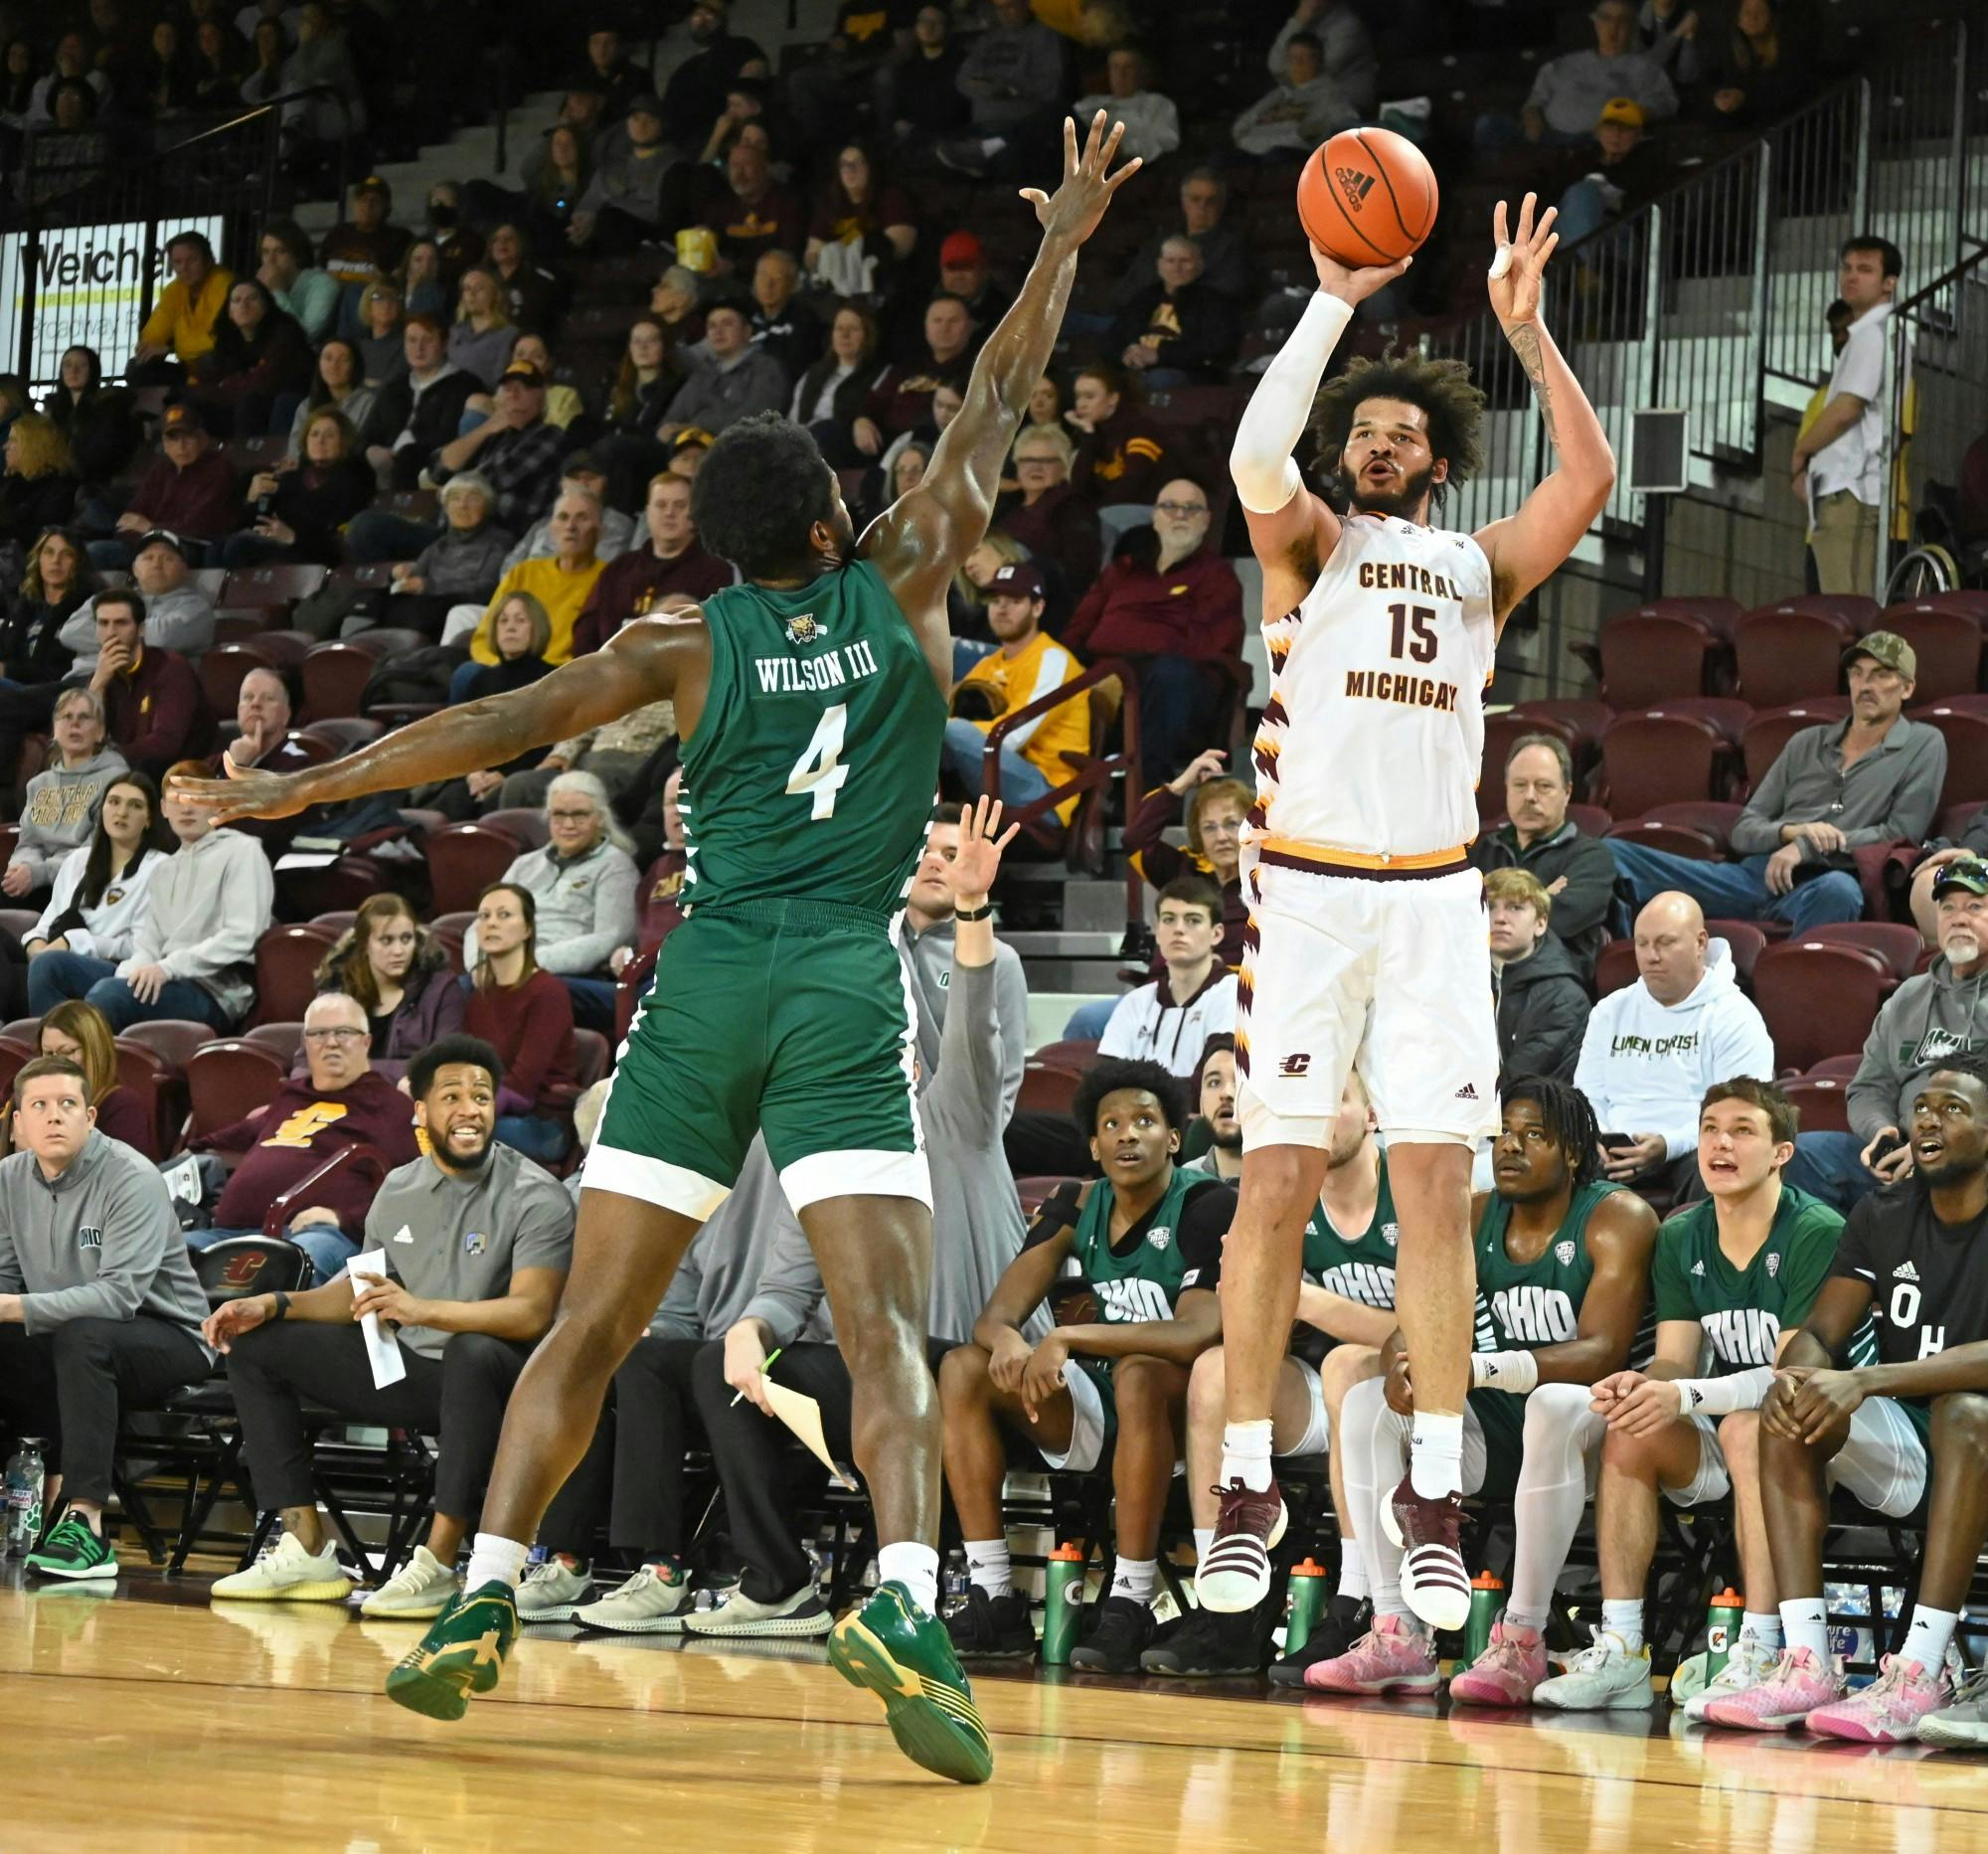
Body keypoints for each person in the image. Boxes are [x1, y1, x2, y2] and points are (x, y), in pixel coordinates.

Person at [174, 115, 1142, 1783]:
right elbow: (997, 398)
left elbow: (487, 718)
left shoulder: (683, 640)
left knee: (595, 1328)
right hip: (847, 982)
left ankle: (483, 1590)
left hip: (702, 988)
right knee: (891, 1330)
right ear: (843, 508)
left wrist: (298, 784)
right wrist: (1058, 245)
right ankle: (907, 1595)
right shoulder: (910, 573)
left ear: (723, 542)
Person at [1200, 195, 1617, 1627]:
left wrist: (1530, 330)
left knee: (1440, 1186)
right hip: (1311, 894)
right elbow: (1255, 452)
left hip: (1437, 897)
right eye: (1361, 430)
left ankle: (1435, 1489)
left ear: (1438, 457)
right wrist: (1331, 299)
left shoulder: (1474, 569)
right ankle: (1247, 1479)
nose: (1377, 443)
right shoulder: (1308, 542)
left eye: (1400, 433)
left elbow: (1593, 476)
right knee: (1277, 1181)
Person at [688, 796, 1037, 1640]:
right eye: (923, 847)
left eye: (953, 849)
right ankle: (779, 1584)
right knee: (718, 1367)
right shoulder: (846, 1132)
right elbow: (798, 1254)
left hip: (966, 1348)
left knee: (924, 1372)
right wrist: (755, 1322)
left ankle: (934, 1575)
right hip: (882, 1354)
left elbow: (979, 1051)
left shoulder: (957, 1105)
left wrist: (973, 915)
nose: (936, 859)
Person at [202, 1036, 582, 1617]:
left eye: (481, 1096)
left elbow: (530, 1312)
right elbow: (363, 1289)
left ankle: (438, 1562)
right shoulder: (399, 1187)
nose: (469, 1108)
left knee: (473, 1351)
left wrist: (421, 1309)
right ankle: (305, 1546)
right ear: (422, 1113)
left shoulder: (537, 1194)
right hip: (413, 1370)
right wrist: (273, 1304)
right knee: (254, 1346)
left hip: (498, 1383)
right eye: (451, 1096)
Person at [1305, 1082, 1655, 1702]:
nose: (1509, 1149)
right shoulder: (1474, 1212)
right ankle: (1398, 1633)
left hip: (1597, 1433)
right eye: (1500, 1136)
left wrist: (1478, 1370)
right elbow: (1412, 1318)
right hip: (1494, 1431)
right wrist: (1403, 1365)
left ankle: (1523, 1640)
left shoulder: (1615, 1216)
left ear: (1573, 1152)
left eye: (1533, 1137)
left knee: (1551, 1402)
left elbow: (1601, 1352)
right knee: (1365, 1402)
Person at [1531, 1080, 1849, 1713]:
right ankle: (1622, 1650)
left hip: (1824, 1431)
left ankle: (1758, 1648)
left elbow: (1794, 1374)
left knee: (1746, 1426)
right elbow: (1675, 1357)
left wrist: (1683, 1393)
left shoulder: (1815, 1229)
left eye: (1742, 1130)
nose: (1720, 1143)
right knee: (1631, 1422)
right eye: (1709, 1128)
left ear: (1781, 1153)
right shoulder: (1682, 1233)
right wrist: (1645, 1385)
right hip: (1725, 1417)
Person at [1695, 1061, 1988, 1737]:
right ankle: (1806, 1661)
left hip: (1974, 1436)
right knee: (1788, 1410)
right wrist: (1794, 1376)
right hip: (1915, 1444)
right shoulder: (1882, 1213)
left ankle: (1921, 1667)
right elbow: (1822, 1332)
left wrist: (1867, 1379)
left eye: (1952, 1109)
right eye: (1921, 1107)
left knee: (1967, 1410)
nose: (1927, 1121)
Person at [941, 1058, 1231, 1671]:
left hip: (1186, 1415)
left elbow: (1198, 1331)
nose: (1128, 1134)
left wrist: (1070, 1335)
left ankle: (1130, 1596)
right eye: (1112, 1124)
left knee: (1139, 1372)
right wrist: (1011, 1345)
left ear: (1174, 1138)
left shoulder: (1206, 1202)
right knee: (964, 1368)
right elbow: (994, 1319)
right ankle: (995, 1594)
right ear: (1094, 1145)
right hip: (1101, 1406)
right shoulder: (1075, 1202)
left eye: (1146, 1121)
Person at [1153, 1070, 1398, 1677]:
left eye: (1337, 1099)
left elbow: (1423, 1334)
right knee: (1215, 1369)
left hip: (1404, 1395)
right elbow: (1243, 1313)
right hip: (1313, 1395)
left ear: (1372, 1115)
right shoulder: (1282, 1192)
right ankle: (1227, 1603)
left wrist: (1308, 1301)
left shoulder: (1408, 1190)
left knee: (1348, 1366)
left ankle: (1357, 1595)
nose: (1321, 1114)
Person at [0, 1055, 210, 1582]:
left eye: (67, 1104)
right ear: (17, 1121)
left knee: (83, 1337)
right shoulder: (7, 1179)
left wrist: (14, 1308)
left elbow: (119, 1298)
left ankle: (86, 1523)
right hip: (68, 1336)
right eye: (39, 1106)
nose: (54, 1117)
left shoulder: (130, 1176)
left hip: (169, 1334)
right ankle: (16, 1507)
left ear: (90, 1118)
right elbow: (4, 1276)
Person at [1607, 631, 1944, 932]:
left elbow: (1901, 833)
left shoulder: (1923, 743)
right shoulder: (1806, 742)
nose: (1865, 685)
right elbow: (1745, 830)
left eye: (1881, 675)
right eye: (1857, 674)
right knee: (1609, 855)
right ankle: (1631, 983)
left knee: (1839, 892)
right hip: (1756, 876)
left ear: (1907, 687)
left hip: (1827, 880)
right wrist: (1789, 833)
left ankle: (1787, 994)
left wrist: (1806, 847)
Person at [1788, 858, 1988, 1211]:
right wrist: (1882, 1130)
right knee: (1800, 1156)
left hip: (1971, 1159)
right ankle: (1840, 1265)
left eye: (1975, 907)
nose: (1959, 918)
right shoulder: (1908, 997)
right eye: (1948, 908)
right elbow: (1869, 1087)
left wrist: (1934, 1146)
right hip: (1903, 1150)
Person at [181, 991, 421, 1281]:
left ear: (366, 1041)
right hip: (226, 1232)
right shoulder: (291, 1096)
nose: (331, 1042)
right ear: (306, 1044)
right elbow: (235, 1136)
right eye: (319, 1033)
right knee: (161, 1258)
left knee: (290, 1267)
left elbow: (415, 1191)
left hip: (315, 1235)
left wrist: (345, 1218)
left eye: (344, 1032)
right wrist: (188, 1154)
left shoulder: (390, 1107)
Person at [31, 758, 268, 1032]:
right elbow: (149, 944)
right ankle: (50, 1060)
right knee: (49, 967)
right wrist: (126, 975)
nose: (187, 808)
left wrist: (168, 968)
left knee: (108, 995)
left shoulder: (242, 853)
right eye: (177, 800)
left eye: (198, 798)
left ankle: (85, 1067)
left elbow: (241, 937)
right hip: (158, 976)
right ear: (165, 809)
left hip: (210, 990)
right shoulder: (169, 868)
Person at [1574, 892, 1774, 1194]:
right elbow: (1587, 1094)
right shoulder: (1610, 1010)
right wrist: (1595, 1138)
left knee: (1721, 1164)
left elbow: (1738, 1111)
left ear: (1701, 943)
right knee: (1558, 1161)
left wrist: (1668, 1146)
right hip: (1614, 1148)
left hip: (1694, 1148)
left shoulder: (1735, 1016)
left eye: (1665, 943)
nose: (1651, 955)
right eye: (1642, 943)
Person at [1063, 479, 1242, 784]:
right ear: (1155, 517)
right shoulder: (1123, 570)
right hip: (1104, 680)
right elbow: (1078, 630)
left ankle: (1149, 790)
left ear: (1206, 520)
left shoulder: (1216, 575)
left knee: (1171, 673)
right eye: (1170, 507)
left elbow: (1207, 649)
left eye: (1192, 508)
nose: (1180, 515)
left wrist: (1130, 666)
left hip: (1172, 690)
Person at [468, 772, 638, 1036]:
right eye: (559, 815)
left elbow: (609, 939)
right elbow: (482, 920)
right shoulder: (525, 865)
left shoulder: (616, 867)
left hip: (575, 976)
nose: (568, 824)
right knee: (454, 989)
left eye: (580, 815)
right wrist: (479, 964)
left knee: (527, 992)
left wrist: (523, 964)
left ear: (600, 818)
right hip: (509, 965)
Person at [1794, 236, 1903, 596]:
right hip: (1843, 491)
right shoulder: (1864, 335)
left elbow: (1846, 409)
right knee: (1844, 609)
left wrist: (1802, 453)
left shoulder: (1875, 333)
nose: (1851, 277)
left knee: (1848, 612)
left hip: (1851, 492)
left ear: (1890, 283)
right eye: (1848, 268)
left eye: (1865, 270)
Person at [941, 561, 1084, 817]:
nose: (1002, 609)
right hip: (996, 777)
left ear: (1038, 608)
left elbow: (1013, 737)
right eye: (996, 601)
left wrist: (950, 731)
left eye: (1014, 601)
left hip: (1045, 791)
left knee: (948, 729)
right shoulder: (990, 663)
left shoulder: (1052, 659)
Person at [24, 772, 174, 1015]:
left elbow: (141, 948)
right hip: (58, 956)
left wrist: (76, 942)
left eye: (135, 806)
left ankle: (55, 1046)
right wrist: (36, 945)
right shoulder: (77, 860)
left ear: (148, 819)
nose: (122, 812)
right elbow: (48, 923)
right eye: (114, 802)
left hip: (119, 970)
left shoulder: (160, 868)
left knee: (48, 965)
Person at [1470, 733, 1616, 978]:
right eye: (1519, 785)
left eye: (1543, 786)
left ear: (1567, 792)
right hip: (1480, 986)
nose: (1530, 796)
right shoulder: (1483, 851)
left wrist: (1492, 908)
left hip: (1552, 993)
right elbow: (1458, 919)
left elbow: (1562, 919)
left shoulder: (1591, 858)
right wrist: (1543, 897)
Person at [461, 881, 578, 1165]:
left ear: (527, 929)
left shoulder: (548, 992)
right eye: (484, 916)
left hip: (542, 1124)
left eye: (504, 915)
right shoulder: (479, 996)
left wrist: (464, 1112)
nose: (491, 924)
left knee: (453, 1131)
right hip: (493, 1109)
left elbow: (522, 1087)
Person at [569, 473, 734, 658]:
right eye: (661, 505)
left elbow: (717, 640)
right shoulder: (618, 569)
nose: (669, 513)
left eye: (679, 505)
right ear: (648, 512)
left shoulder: (715, 572)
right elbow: (585, 630)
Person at [310, 894, 466, 1084]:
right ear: (364, 943)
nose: (399, 951)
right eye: (386, 940)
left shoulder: (441, 989)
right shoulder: (336, 987)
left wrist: (354, 1067)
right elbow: (305, 1063)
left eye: (406, 939)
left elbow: (445, 1064)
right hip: (339, 1099)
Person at [452, 488, 605, 680]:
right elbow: (485, 637)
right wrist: (504, 669)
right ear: (551, 529)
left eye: (582, 518)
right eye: (563, 517)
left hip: (559, 678)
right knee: (462, 672)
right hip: (508, 668)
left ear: (601, 530)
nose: (570, 526)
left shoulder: (609, 578)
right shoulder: (523, 572)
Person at [1480, 0, 1679, 147]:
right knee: (1489, 124)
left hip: (1594, 143)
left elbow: (1664, 102)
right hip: (1547, 137)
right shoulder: (1561, 64)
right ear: (1595, 23)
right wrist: (1531, 116)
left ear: (1632, 26)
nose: (1613, 26)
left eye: (1622, 20)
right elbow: (1534, 103)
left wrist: (1625, 120)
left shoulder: (1644, 68)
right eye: (1606, 18)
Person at [1123, 750, 1249, 974]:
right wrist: (1180, 785)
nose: (1221, 837)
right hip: (1167, 993)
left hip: (1234, 997)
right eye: (1209, 827)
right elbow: (1135, 839)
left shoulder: (1269, 879)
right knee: (1091, 1012)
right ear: (1198, 834)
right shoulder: (1182, 868)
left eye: (1231, 824)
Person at [5, 688, 124, 897]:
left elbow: (97, 851)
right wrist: (22, 868)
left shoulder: (116, 780)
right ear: (54, 730)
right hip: (36, 880)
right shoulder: (39, 784)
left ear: (100, 732)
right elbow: (28, 843)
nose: (74, 724)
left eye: (84, 717)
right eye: (67, 716)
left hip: (83, 885)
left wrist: (39, 873)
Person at [87, 405, 237, 571]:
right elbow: (132, 516)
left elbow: (197, 527)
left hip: (189, 547)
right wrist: (140, 533)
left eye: (188, 437)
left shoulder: (218, 469)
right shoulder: (161, 470)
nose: (181, 446)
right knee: (90, 533)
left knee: (97, 551)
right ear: (164, 444)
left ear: (202, 439)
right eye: (173, 439)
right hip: (147, 544)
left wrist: (150, 528)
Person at [220, 410, 373, 568]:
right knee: (222, 546)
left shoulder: (353, 480)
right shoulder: (290, 478)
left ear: (344, 442)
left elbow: (338, 541)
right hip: (279, 546)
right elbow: (253, 522)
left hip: (316, 554)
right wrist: (252, 499)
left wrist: (293, 537)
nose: (320, 440)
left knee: (238, 546)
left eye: (329, 435)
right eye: (314, 434)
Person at [78, 590, 206, 778]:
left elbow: (165, 743)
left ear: (141, 629)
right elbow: (84, 737)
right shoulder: (103, 675)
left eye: (121, 623)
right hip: (129, 774)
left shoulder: (172, 668)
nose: (111, 632)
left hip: (183, 776)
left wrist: (104, 759)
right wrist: (97, 687)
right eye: (103, 623)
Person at [938, 0, 1066, 181]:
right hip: (981, 122)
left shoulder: (1044, 36)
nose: (1004, 13)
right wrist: (988, 88)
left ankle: (985, 152)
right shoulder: (988, 39)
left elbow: (1049, 86)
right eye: (1000, 8)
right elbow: (963, 80)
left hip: (1020, 121)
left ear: (1026, 5)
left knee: (1010, 155)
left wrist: (1010, 88)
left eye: (1010, 6)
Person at [4, 1001, 151, 1153]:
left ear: (94, 1051)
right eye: (48, 1054)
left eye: (67, 1052)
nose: (55, 1062)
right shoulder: (28, 1099)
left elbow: (125, 1173)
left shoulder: (122, 1106)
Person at [1488, 868, 1589, 1085]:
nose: (1499, 918)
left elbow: (1520, 1080)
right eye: (1489, 907)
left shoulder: (1564, 997)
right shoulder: (1458, 981)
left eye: (1515, 907)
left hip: (1529, 1111)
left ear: (1541, 923)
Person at [384, 473, 513, 636]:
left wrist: (428, 586)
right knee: (375, 600)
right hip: (426, 606)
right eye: (455, 498)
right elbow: (416, 575)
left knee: (416, 610)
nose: (462, 505)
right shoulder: (440, 544)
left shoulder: (500, 541)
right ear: (446, 508)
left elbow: (486, 588)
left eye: (472, 499)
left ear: (487, 507)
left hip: (459, 608)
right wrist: (399, 574)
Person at [184, 278, 314, 437]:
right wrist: (227, 386)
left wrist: (225, 385)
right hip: (237, 402)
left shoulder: (284, 334)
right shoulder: (227, 340)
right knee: (192, 404)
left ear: (266, 306)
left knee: (249, 403)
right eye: (236, 300)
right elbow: (201, 386)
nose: (244, 305)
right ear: (229, 312)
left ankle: (246, 459)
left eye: (252, 299)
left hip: (283, 403)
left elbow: (265, 383)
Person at [68, 529, 216, 669]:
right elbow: (70, 632)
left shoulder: (196, 608)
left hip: (144, 685)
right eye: (148, 558)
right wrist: (135, 634)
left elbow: (161, 638)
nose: (157, 564)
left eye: (168, 558)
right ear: (135, 569)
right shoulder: (109, 598)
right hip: (81, 678)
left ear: (184, 570)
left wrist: (103, 632)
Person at [1105, 239, 1241, 389]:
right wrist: (1125, 353)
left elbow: (1216, 348)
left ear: (1199, 265)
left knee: (1159, 379)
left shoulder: (1214, 302)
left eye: (1185, 261)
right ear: (1160, 265)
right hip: (1137, 366)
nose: (1177, 268)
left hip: (1187, 373)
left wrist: (1160, 355)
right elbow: (1113, 336)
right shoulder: (1144, 296)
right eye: (1170, 261)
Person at [1115, 170, 1252, 312]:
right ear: (1184, 202)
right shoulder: (1159, 243)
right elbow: (1127, 290)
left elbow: (1225, 293)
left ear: (1221, 204)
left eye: (1210, 201)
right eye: (1195, 199)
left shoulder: (1231, 248)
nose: (1202, 207)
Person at [654, 301, 791, 441]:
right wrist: (668, 431)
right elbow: (670, 420)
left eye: (727, 324)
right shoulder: (701, 375)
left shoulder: (766, 368)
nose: (718, 331)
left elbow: (755, 420)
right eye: (712, 326)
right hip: (689, 448)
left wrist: (693, 428)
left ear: (747, 331)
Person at [995, 423, 1099, 604]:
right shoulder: (1008, 504)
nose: (1035, 467)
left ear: (1064, 467)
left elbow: (1079, 574)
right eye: (1027, 460)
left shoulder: (1073, 506)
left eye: (1047, 461)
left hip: (1041, 599)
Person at [1231, 27, 1361, 157]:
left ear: (1318, 61)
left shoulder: (1331, 94)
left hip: (1287, 160)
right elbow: (1240, 128)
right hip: (1250, 154)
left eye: (1304, 58)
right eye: (1293, 58)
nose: (1297, 64)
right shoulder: (1280, 94)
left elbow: (1342, 122)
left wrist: (1303, 134)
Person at [125, 230, 234, 382]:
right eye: (177, 262)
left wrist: (171, 349)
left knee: (210, 361)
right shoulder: (174, 290)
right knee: (136, 367)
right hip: (188, 367)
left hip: (223, 366)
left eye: (192, 260)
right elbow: (154, 334)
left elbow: (214, 342)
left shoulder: (223, 283)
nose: (184, 268)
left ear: (209, 260)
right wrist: (148, 348)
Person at [1068, 363, 1173, 511]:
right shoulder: (1092, 432)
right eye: (1078, 397)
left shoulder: (1141, 427)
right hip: (1107, 512)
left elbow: (1132, 485)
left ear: (1113, 398)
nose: (1081, 404)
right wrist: (1088, 435)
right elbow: (1078, 488)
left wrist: (1094, 516)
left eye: (1089, 397)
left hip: (1150, 510)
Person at [42, 347, 138, 487]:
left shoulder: (109, 407)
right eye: (67, 365)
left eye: (82, 365)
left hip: (93, 484)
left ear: (92, 370)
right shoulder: (53, 410)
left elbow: (103, 454)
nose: (73, 370)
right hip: (56, 480)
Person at [1071, 46, 1179, 166]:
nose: (1121, 74)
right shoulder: (1089, 104)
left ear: (1139, 72)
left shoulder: (1158, 104)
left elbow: (1167, 142)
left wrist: (1122, 149)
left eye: (1128, 67)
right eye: (1115, 67)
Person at [285, 338, 382, 462]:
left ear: (354, 366)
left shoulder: (368, 403)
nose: (334, 365)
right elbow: (294, 451)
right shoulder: (305, 406)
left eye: (343, 360)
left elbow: (360, 448)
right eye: (328, 358)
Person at [0, 414, 78, 553]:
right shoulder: (10, 482)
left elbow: (41, 535)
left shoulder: (59, 489)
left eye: (13, 441)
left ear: (33, 445)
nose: (5, 447)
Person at [257, 218, 340, 344]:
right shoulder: (262, 283)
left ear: (297, 254)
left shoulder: (323, 284)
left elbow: (307, 335)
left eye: (280, 251)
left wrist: (277, 292)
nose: (270, 260)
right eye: (265, 252)